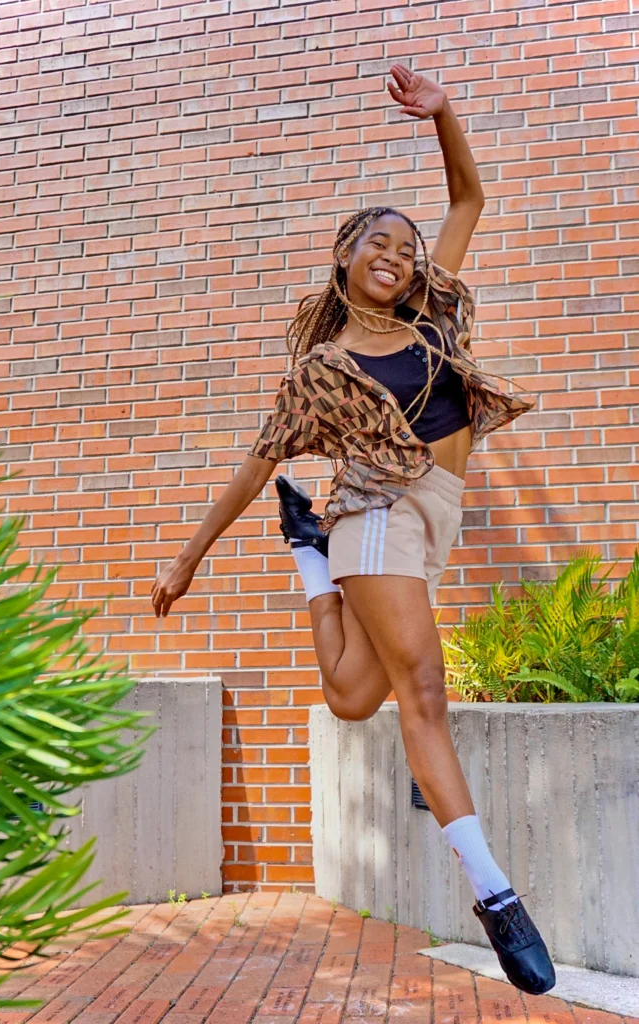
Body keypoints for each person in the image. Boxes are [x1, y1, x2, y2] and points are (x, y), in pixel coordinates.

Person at [152, 65, 554, 995]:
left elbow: (468, 194)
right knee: (421, 687)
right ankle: (493, 895)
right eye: (379, 242)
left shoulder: (434, 317)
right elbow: (256, 464)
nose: (399, 254)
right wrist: (185, 560)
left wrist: (444, 113)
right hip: (374, 517)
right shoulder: (324, 367)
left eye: (407, 248)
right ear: (343, 257)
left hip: (427, 524)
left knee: (348, 700)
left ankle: (308, 560)